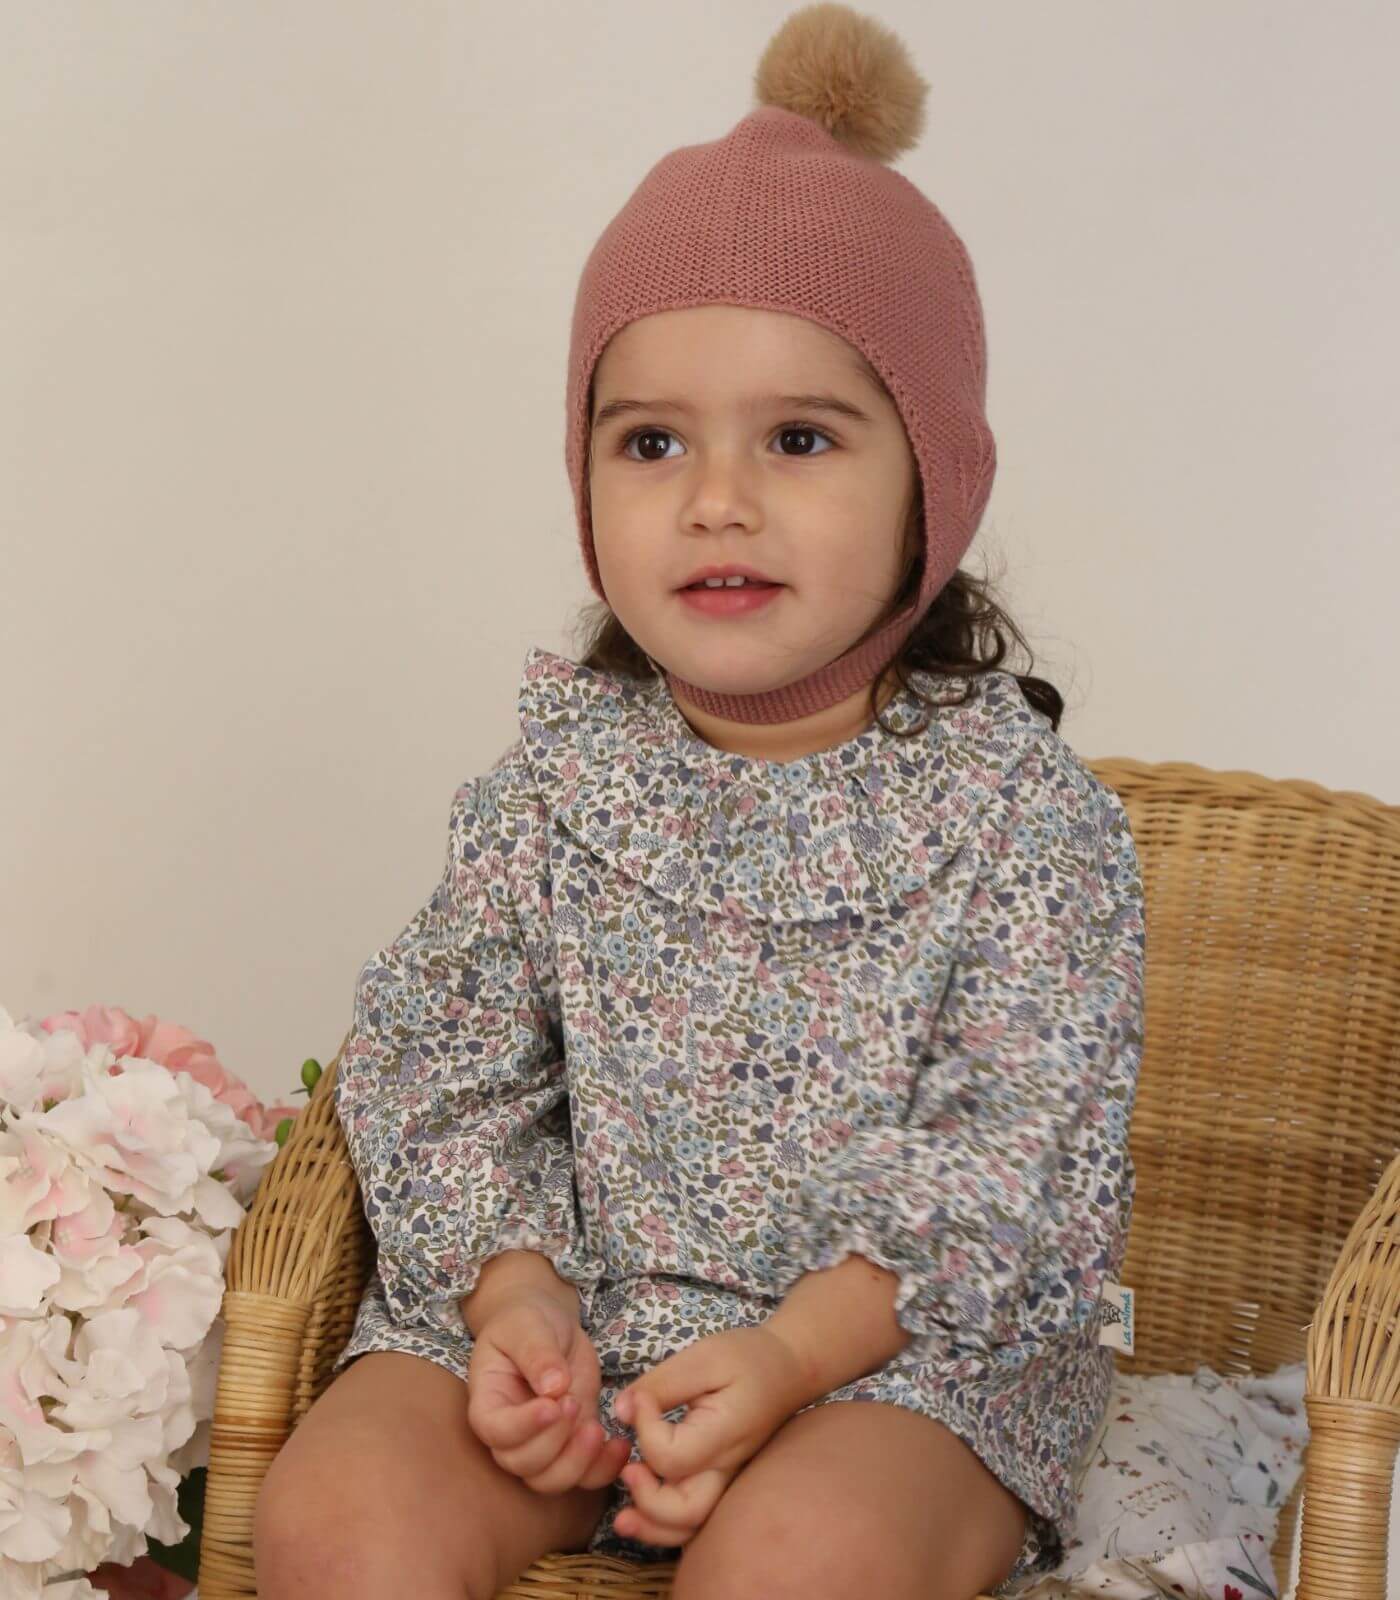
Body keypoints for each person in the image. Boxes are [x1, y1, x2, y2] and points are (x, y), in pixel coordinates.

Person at [253, 6, 1146, 1599]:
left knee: (800, 1557)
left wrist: (792, 1358)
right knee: (333, 1518)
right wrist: (517, 1301)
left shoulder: (1021, 819)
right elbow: (441, 1060)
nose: (717, 500)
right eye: (651, 440)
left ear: (933, 484)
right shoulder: (555, 784)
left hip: (895, 1361)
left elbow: (1008, 1164)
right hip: (589, 1320)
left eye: (800, 438)